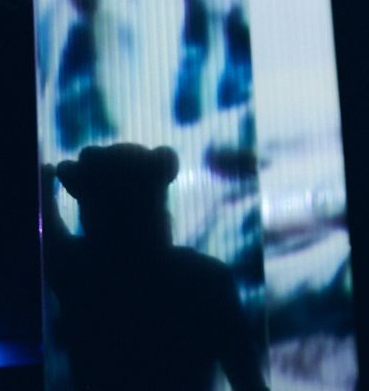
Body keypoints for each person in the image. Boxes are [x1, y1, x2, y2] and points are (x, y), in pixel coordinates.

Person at [41, 144, 268, 391]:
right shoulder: (208, 280)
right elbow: (249, 383)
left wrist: (44, 186)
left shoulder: (80, 274)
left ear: (92, 213)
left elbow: (50, 234)